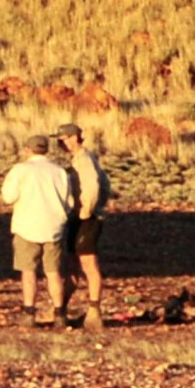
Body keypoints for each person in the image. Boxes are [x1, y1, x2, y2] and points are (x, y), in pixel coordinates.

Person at [0, 134, 77, 324]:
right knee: (54, 272)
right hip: (53, 227)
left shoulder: (20, 170)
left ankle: (29, 312)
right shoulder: (59, 171)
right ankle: (60, 313)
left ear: (27, 149)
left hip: (27, 226)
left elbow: (8, 197)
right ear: (47, 150)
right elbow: (69, 202)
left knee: (28, 271)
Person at [59, 125, 113, 327]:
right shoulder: (81, 159)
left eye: (64, 139)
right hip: (81, 216)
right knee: (73, 264)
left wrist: (87, 211)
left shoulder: (84, 160)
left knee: (88, 264)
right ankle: (61, 310)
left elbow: (94, 187)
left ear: (74, 138)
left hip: (86, 218)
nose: (62, 144)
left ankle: (94, 311)